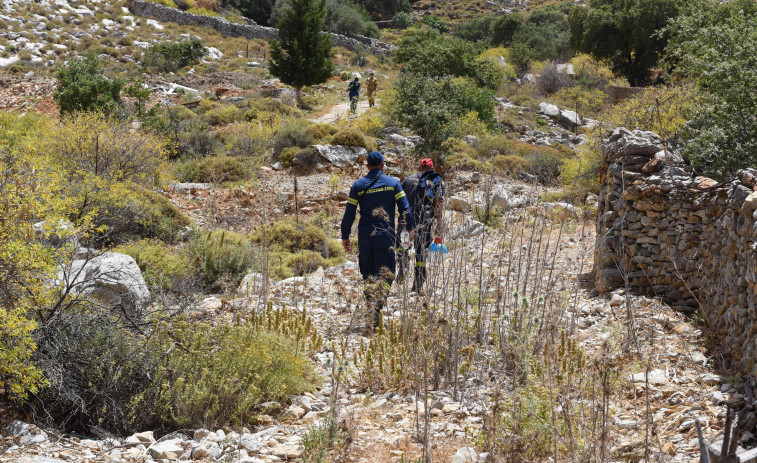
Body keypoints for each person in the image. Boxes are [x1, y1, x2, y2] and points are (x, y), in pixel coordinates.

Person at [341, 151, 415, 328]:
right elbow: (405, 208)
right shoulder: (393, 183)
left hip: (365, 237)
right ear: (383, 165)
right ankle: (377, 308)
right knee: (387, 274)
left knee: (368, 275)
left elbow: (349, 213)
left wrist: (345, 235)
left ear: (367, 166)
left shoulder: (358, 185)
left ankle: (370, 309)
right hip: (386, 237)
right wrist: (410, 227)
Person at [397, 158, 444, 294]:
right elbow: (438, 203)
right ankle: (417, 286)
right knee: (421, 252)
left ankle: (403, 264)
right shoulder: (435, 181)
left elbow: (399, 198)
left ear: (419, 168)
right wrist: (439, 223)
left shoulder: (408, 179)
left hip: (406, 219)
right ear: (431, 169)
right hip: (424, 221)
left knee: (403, 245)